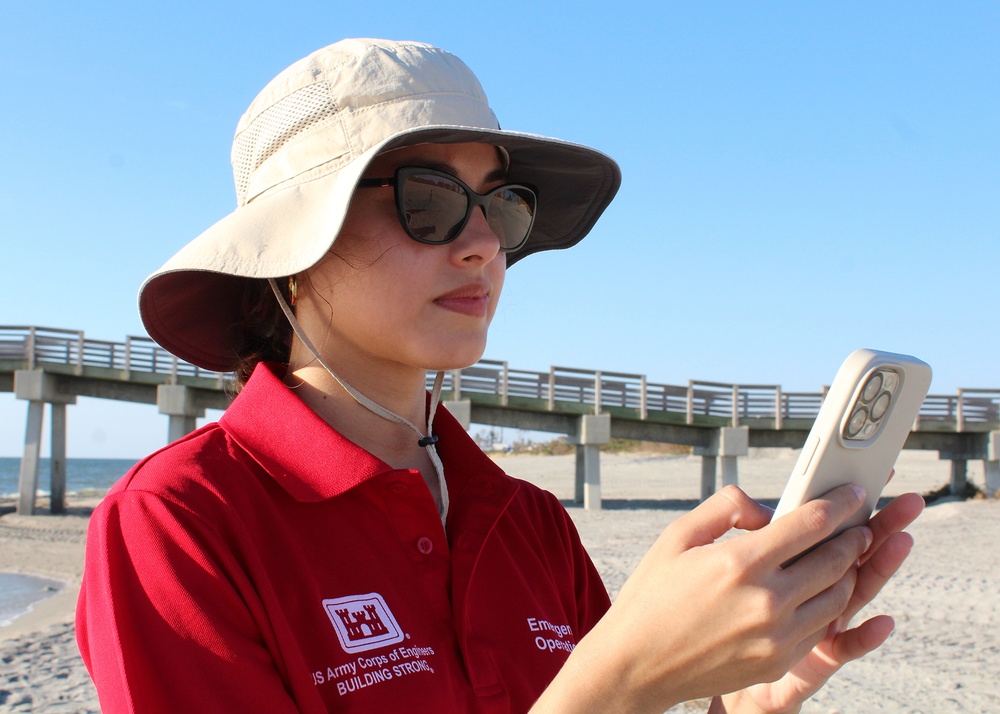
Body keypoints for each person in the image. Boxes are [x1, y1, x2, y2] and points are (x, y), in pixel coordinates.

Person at [76, 38, 924, 713]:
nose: (481, 243)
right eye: (429, 199)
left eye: (500, 204)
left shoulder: (529, 524)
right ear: (291, 250)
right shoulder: (178, 524)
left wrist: (737, 708)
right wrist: (620, 686)